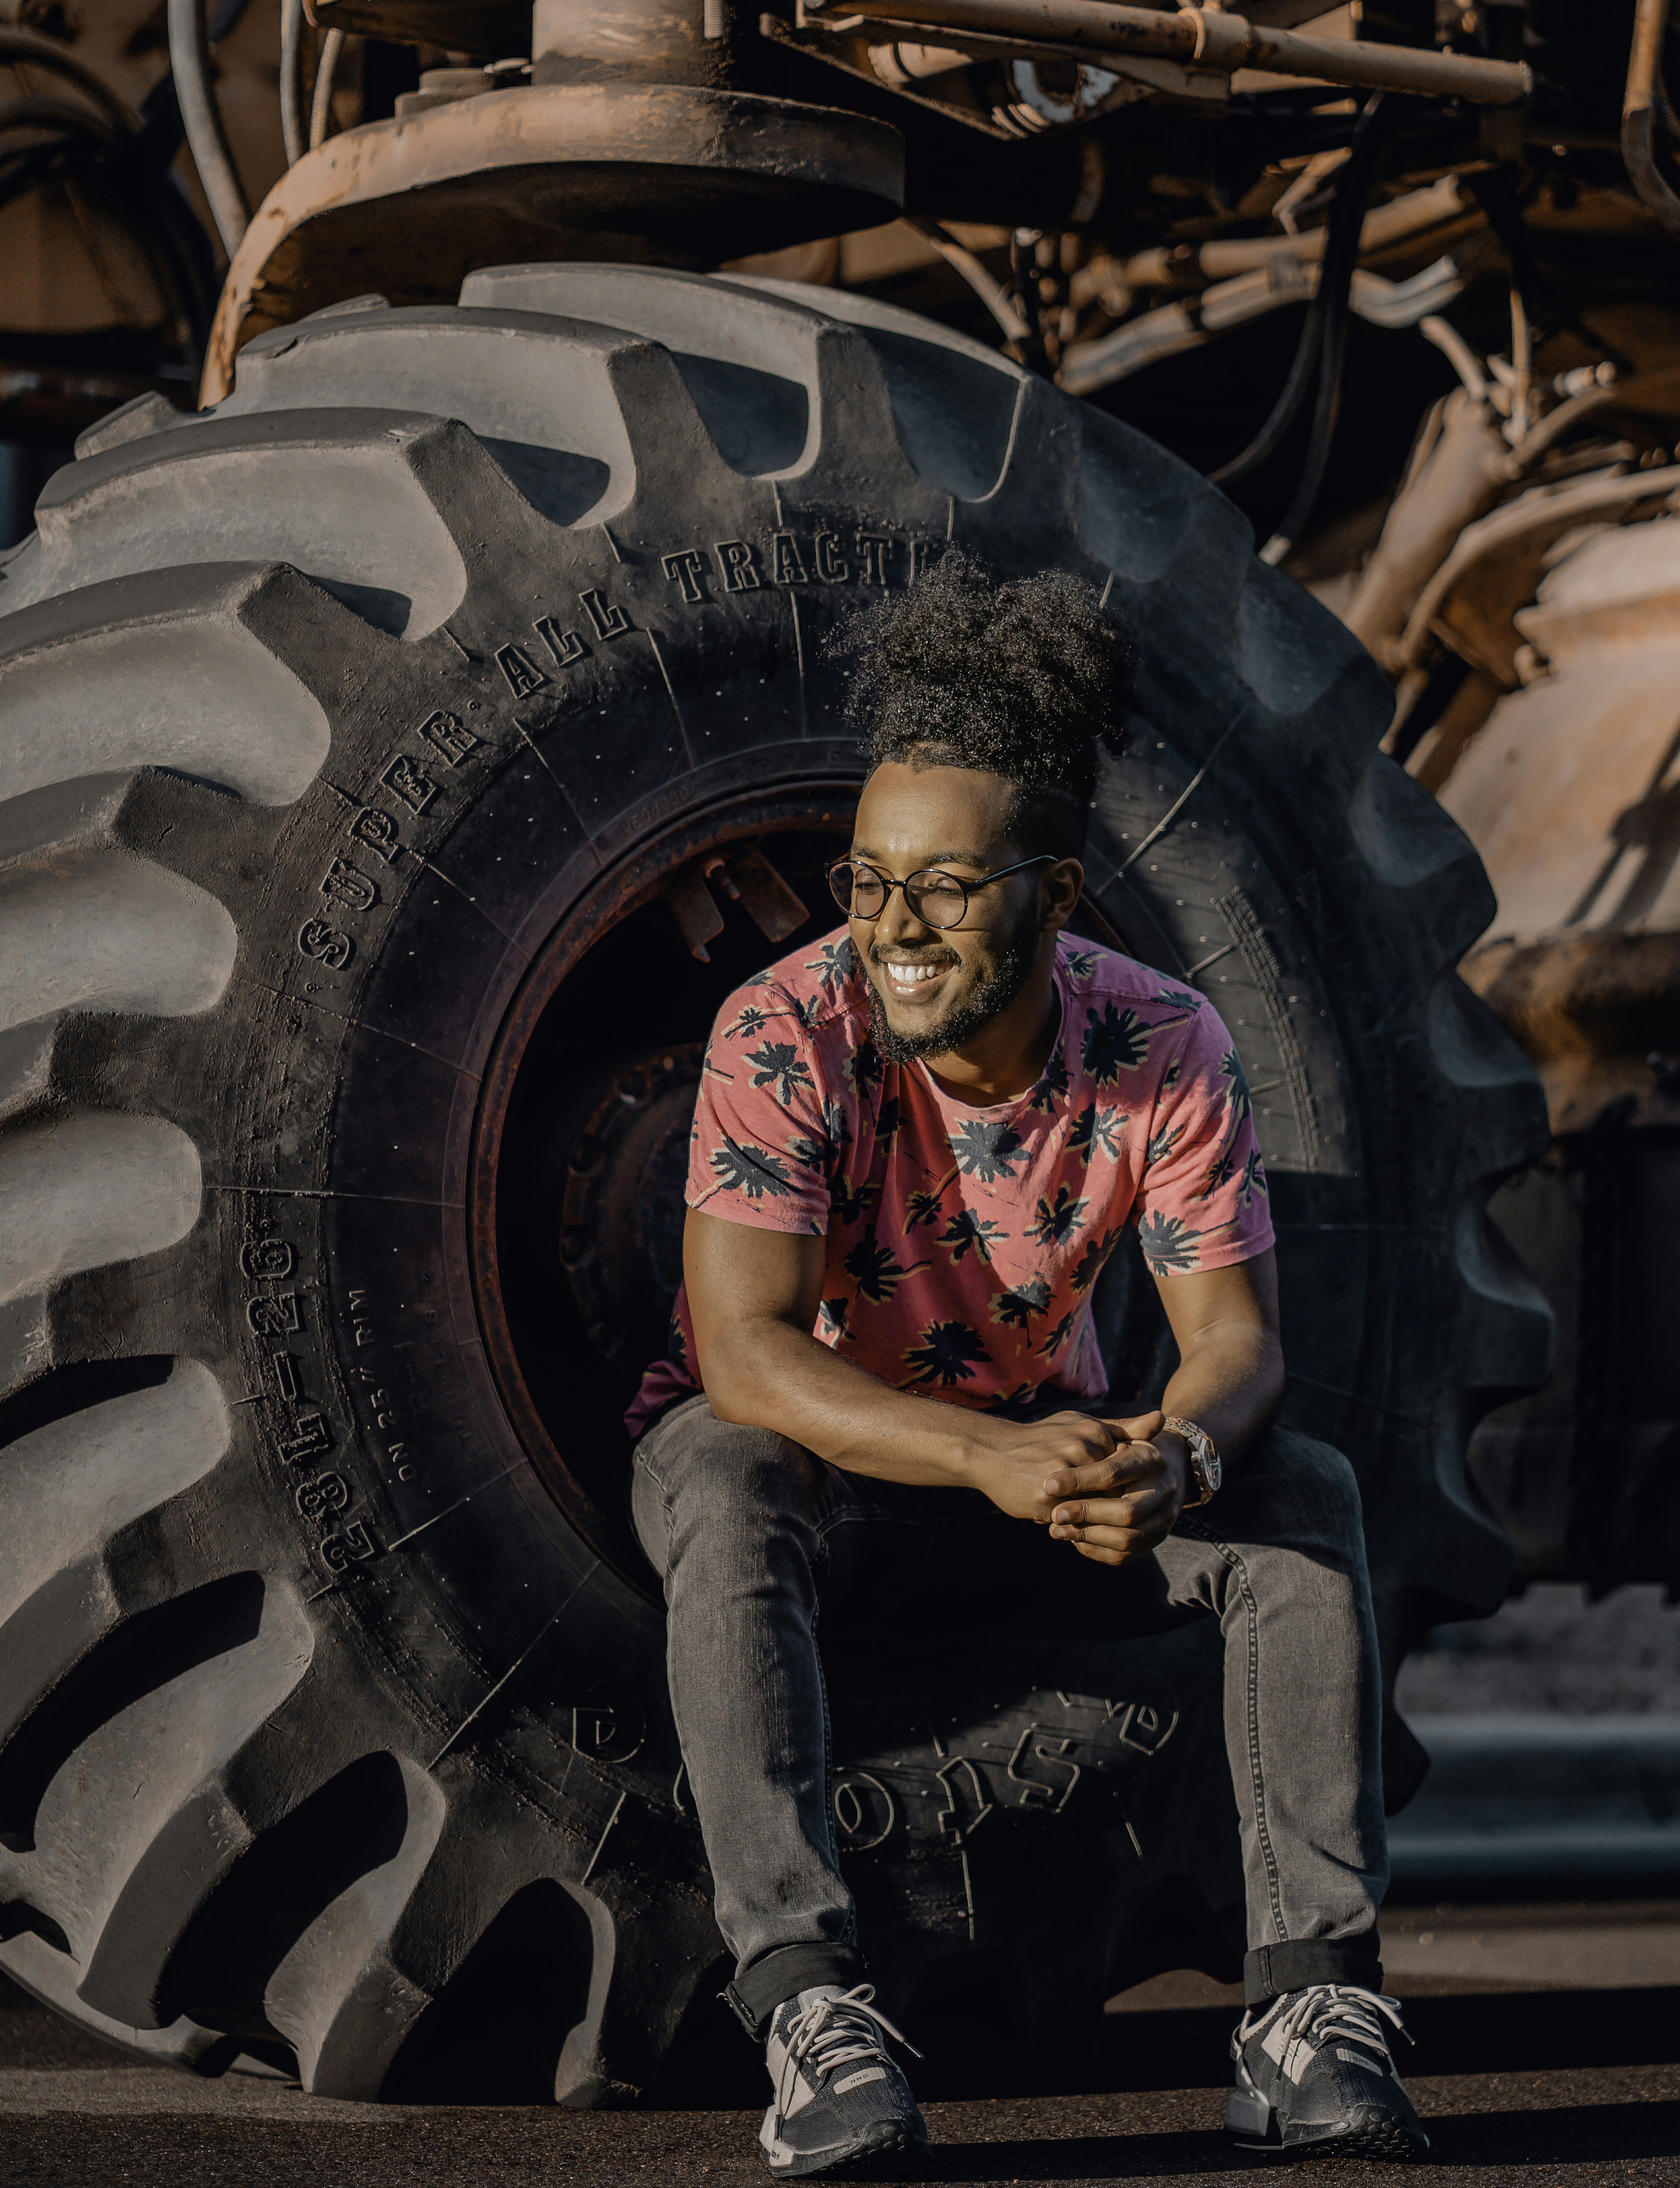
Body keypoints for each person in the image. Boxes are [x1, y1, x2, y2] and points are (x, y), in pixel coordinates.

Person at [626, 554, 1427, 2173]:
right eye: (867, 882)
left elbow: (1230, 1347)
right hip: (829, 1473)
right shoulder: (784, 1033)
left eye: (945, 887)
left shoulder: (1159, 1048)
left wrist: (1174, 1457)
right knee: (721, 1477)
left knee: (1298, 1501)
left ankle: (1308, 2005)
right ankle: (806, 2008)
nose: (893, 929)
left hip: (1024, 1462)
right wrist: (985, 1457)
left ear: (1054, 899)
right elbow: (748, 1354)